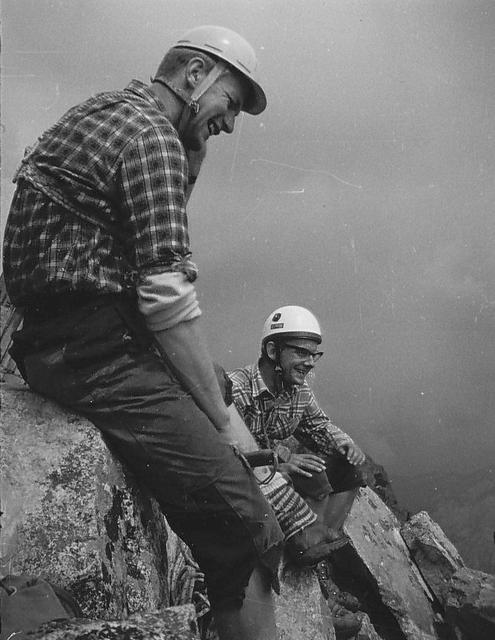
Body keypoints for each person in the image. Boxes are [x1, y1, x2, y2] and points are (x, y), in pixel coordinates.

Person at [2, 25, 284, 640]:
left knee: (213, 382)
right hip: (94, 349)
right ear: (193, 75)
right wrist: (217, 419)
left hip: (60, 337)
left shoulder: (106, 111)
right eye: (230, 103)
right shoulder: (153, 137)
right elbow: (166, 297)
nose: (230, 125)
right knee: (247, 520)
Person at [228, 305, 367, 562]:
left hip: (271, 473)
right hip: (246, 478)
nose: (310, 363)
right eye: (302, 353)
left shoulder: (299, 392)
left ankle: (318, 539)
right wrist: (280, 464)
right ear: (272, 351)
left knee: (348, 468)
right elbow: (227, 454)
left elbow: (319, 426)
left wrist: (345, 443)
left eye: (315, 355)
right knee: (301, 475)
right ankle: (301, 543)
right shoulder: (236, 390)